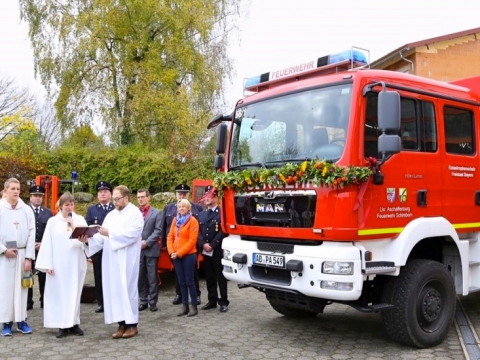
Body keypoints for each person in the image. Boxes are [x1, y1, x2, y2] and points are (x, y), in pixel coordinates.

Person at [84, 185, 143, 339]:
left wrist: (111, 233)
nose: (115, 202)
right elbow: (101, 237)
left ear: (126, 197)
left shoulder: (135, 213)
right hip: (112, 259)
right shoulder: (111, 215)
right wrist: (88, 239)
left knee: (127, 290)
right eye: (114, 199)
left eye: (117, 199)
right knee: (115, 290)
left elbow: (133, 234)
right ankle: (121, 324)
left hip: (127, 259)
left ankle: (132, 325)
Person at [35, 192, 88, 338]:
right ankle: (62, 325)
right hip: (58, 264)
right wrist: (47, 264)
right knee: (59, 294)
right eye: (67, 205)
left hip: (75, 262)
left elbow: (83, 242)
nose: (69, 207)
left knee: (74, 292)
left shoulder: (79, 219)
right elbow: (47, 243)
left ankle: (74, 323)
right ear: (61, 206)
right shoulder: (53, 221)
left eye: (72, 204)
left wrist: (74, 228)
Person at [0, 178, 35, 336]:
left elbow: (31, 233)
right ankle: (6, 322)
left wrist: (28, 257)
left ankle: (22, 321)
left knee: (22, 289)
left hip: (21, 254)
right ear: (5, 190)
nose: (16, 191)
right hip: (5, 255)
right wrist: (3, 250)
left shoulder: (26, 210)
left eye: (18, 189)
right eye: (12, 188)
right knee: (5, 288)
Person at [161, 183, 202, 305]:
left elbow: (198, 230)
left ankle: (196, 296)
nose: (181, 195)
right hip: (173, 247)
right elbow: (165, 229)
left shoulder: (196, 208)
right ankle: (179, 294)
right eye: (179, 193)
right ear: (176, 194)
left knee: (192, 273)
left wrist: (198, 246)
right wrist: (165, 246)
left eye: (184, 193)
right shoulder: (168, 208)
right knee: (178, 273)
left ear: (188, 195)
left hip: (190, 248)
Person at [197, 186, 229, 313]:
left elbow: (223, 231)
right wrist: (203, 244)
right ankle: (212, 300)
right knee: (209, 276)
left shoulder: (222, 213)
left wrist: (213, 244)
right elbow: (198, 232)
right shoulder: (201, 214)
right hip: (206, 250)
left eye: (210, 196)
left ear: (216, 197)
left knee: (220, 276)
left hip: (217, 249)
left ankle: (224, 301)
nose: (207, 199)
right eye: (206, 196)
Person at [167, 199, 200, 317]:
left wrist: (179, 253)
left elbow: (192, 241)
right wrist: (171, 251)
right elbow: (170, 237)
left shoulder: (193, 221)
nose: (181, 208)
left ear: (188, 208)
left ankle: (194, 306)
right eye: (179, 206)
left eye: (184, 207)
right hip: (176, 255)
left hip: (189, 255)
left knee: (189, 281)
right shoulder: (175, 220)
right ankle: (184, 306)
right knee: (181, 282)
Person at [85, 180, 114, 313]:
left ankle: (112, 301)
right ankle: (101, 302)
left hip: (112, 247)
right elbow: (87, 227)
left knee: (113, 276)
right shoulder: (92, 209)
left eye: (105, 191)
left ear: (110, 194)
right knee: (99, 276)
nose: (102, 194)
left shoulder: (115, 209)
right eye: (100, 192)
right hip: (97, 249)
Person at [27, 185, 53, 310]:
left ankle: (44, 300)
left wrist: (43, 244)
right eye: (35, 196)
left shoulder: (48, 212)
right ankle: (28, 301)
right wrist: (31, 243)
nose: (38, 199)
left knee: (44, 276)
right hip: (28, 248)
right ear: (30, 197)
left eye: (40, 196)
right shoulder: (25, 210)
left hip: (43, 248)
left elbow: (50, 231)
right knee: (27, 274)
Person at [137, 189, 162, 312]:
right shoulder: (134, 213)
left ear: (148, 198)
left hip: (151, 249)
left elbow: (158, 230)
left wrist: (147, 242)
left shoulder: (157, 213)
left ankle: (153, 301)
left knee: (152, 277)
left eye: (142, 197)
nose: (140, 199)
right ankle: (143, 301)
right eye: (138, 197)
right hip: (137, 250)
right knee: (140, 277)